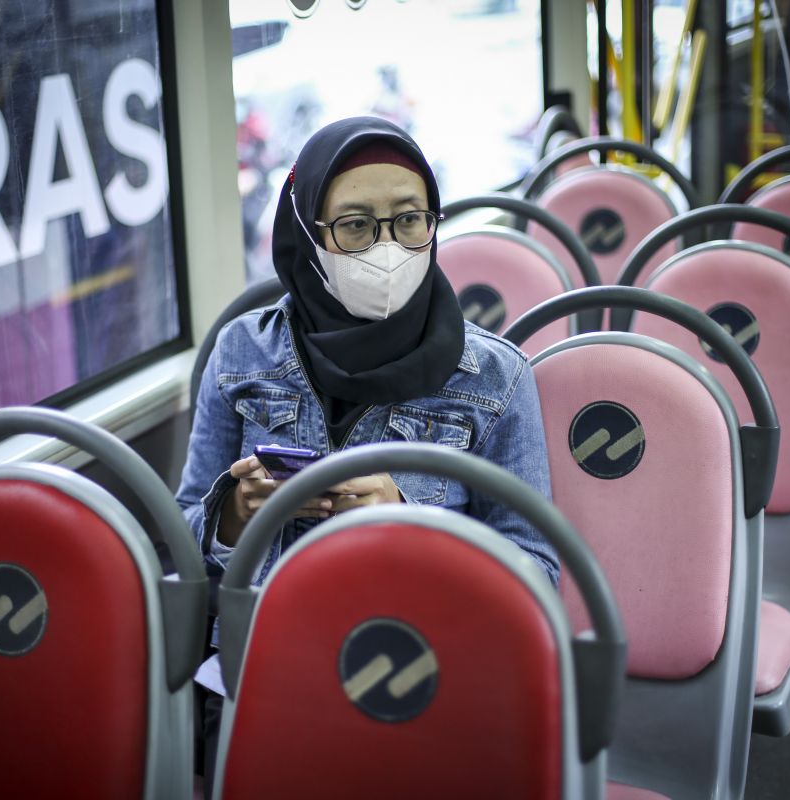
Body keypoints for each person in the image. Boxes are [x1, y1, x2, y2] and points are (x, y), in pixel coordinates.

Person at [175, 116, 558, 795]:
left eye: (410, 219)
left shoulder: (496, 380)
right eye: (354, 225)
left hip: (425, 675)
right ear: (307, 232)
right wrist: (234, 518)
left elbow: (538, 574)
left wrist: (416, 523)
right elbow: (179, 545)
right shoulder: (240, 353)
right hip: (268, 667)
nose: (388, 247)